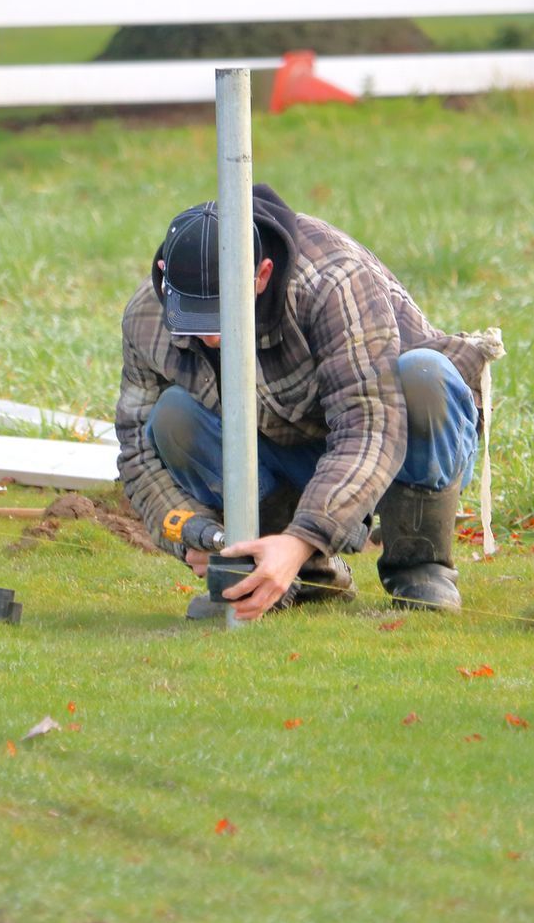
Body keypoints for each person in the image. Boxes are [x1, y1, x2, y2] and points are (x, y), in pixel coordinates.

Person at [115, 185, 503, 622]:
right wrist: (192, 531)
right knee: (172, 418)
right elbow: (137, 450)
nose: (210, 337)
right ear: (166, 276)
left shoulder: (333, 281)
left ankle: (419, 567)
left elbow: (369, 426)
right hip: (284, 443)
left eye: (224, 315)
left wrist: (302, 538)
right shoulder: (146, 316)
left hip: (396, 442)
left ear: (260, 276)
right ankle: (306, 578)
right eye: (193, 315)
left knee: (423, 375)